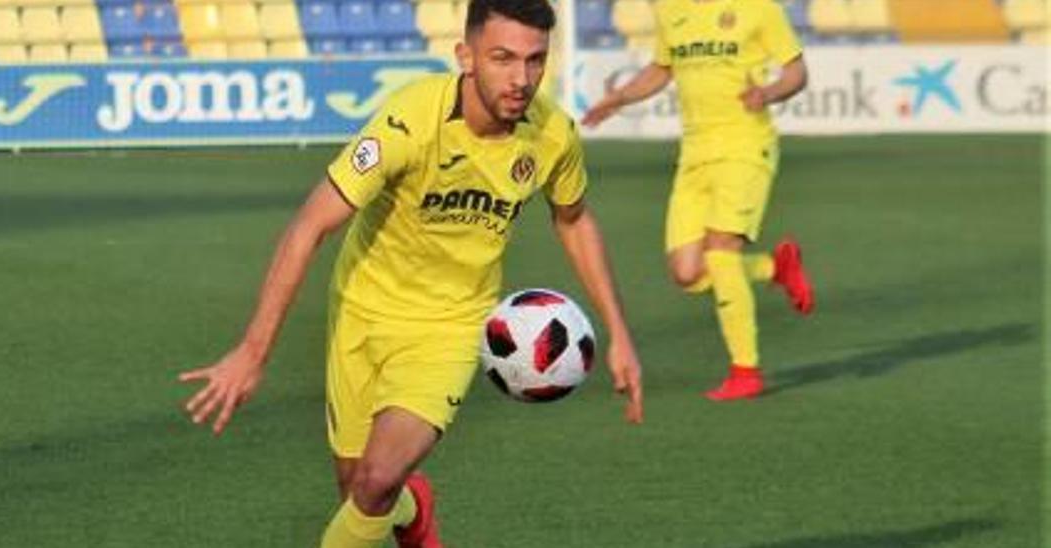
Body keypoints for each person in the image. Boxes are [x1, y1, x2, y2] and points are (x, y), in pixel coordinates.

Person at [178, 0, 644, 545]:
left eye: (535, 60)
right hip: (362, 310)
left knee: (375, 482)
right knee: (360, 488)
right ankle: (413, 511)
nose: (521, 78)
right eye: (503, 58)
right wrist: (253, 352)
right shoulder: (409, 122)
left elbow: (574, 219)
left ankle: (395, 501)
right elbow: (309, 225)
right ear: (465, 56)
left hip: (451, 327)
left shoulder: (552, 135)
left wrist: (620, 334)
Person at [582, 0, 814, 401]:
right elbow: (661, 69)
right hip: (694, 154)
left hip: (745, 146)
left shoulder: (758, 8)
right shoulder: (671, 9)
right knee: (687, 272)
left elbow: (797, 71)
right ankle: (776, 267)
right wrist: (619, 98)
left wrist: (769, 92)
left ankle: (746, 370)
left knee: (721, 250)